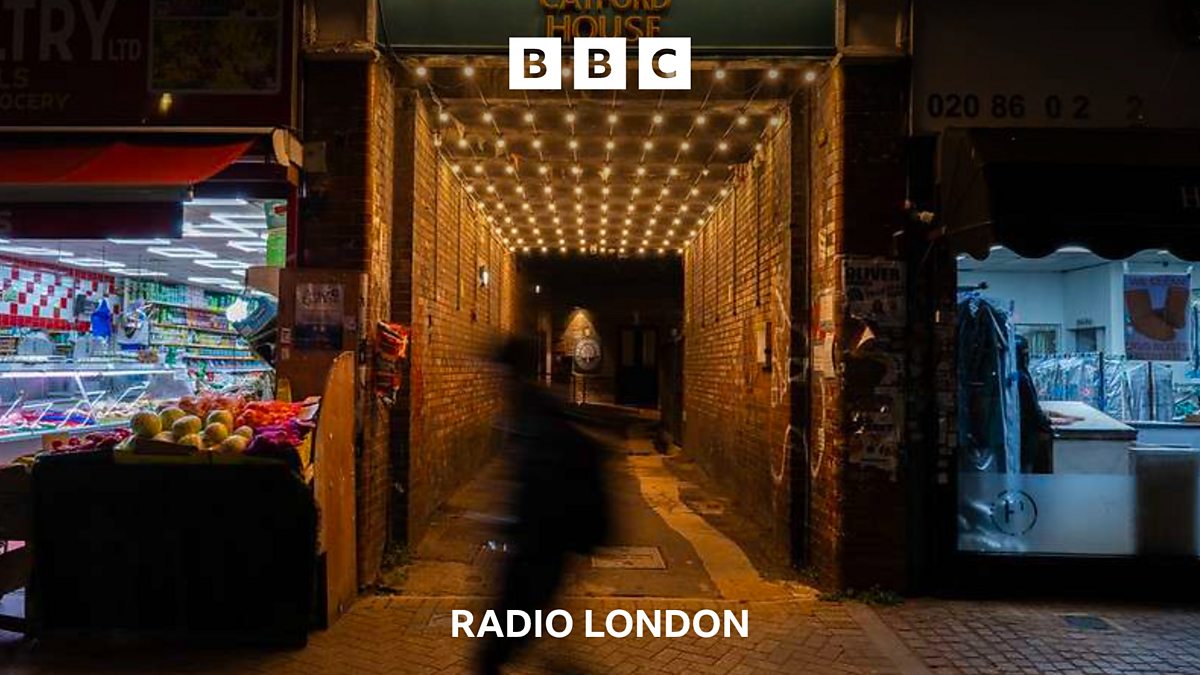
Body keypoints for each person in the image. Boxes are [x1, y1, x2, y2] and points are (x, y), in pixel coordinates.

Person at [477, 338, 611, 674]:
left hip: (537, 546)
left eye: (497, 372)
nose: (493, 380)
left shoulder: (534, 414)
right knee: (513, 640)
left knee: (496, 649)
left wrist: (515, 530)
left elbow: (540, 482)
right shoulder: (532, 408)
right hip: (541, 546)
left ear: (509, 372)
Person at [1015, 335, 1053, 474]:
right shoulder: (1021, 377)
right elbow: (1032, 409)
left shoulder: (1017, 375)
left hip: (1021, 434)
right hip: (1026, 435)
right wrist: (1046, 423)